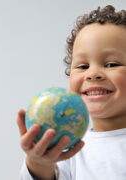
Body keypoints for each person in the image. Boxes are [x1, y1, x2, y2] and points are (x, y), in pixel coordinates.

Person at [17, 5, 126, 180]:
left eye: (111, 64)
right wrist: (39, 163)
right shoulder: (67, 148)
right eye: (83, 66)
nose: (92, 74)